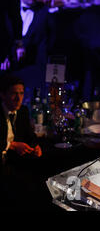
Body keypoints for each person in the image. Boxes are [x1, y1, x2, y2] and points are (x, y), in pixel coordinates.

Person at [0, 74, 42, 210]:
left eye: (21, 93)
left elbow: (30, 135)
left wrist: (36, 146)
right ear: (2, 95)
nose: (18, 98)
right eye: (13, 93)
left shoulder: (22, 110)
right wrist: (11, 145)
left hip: (14, 162)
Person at [6, 0, 55, 89]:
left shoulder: (44, 12)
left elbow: (48, 42)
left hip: (34, 62)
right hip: (11, 60)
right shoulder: (9, 10)